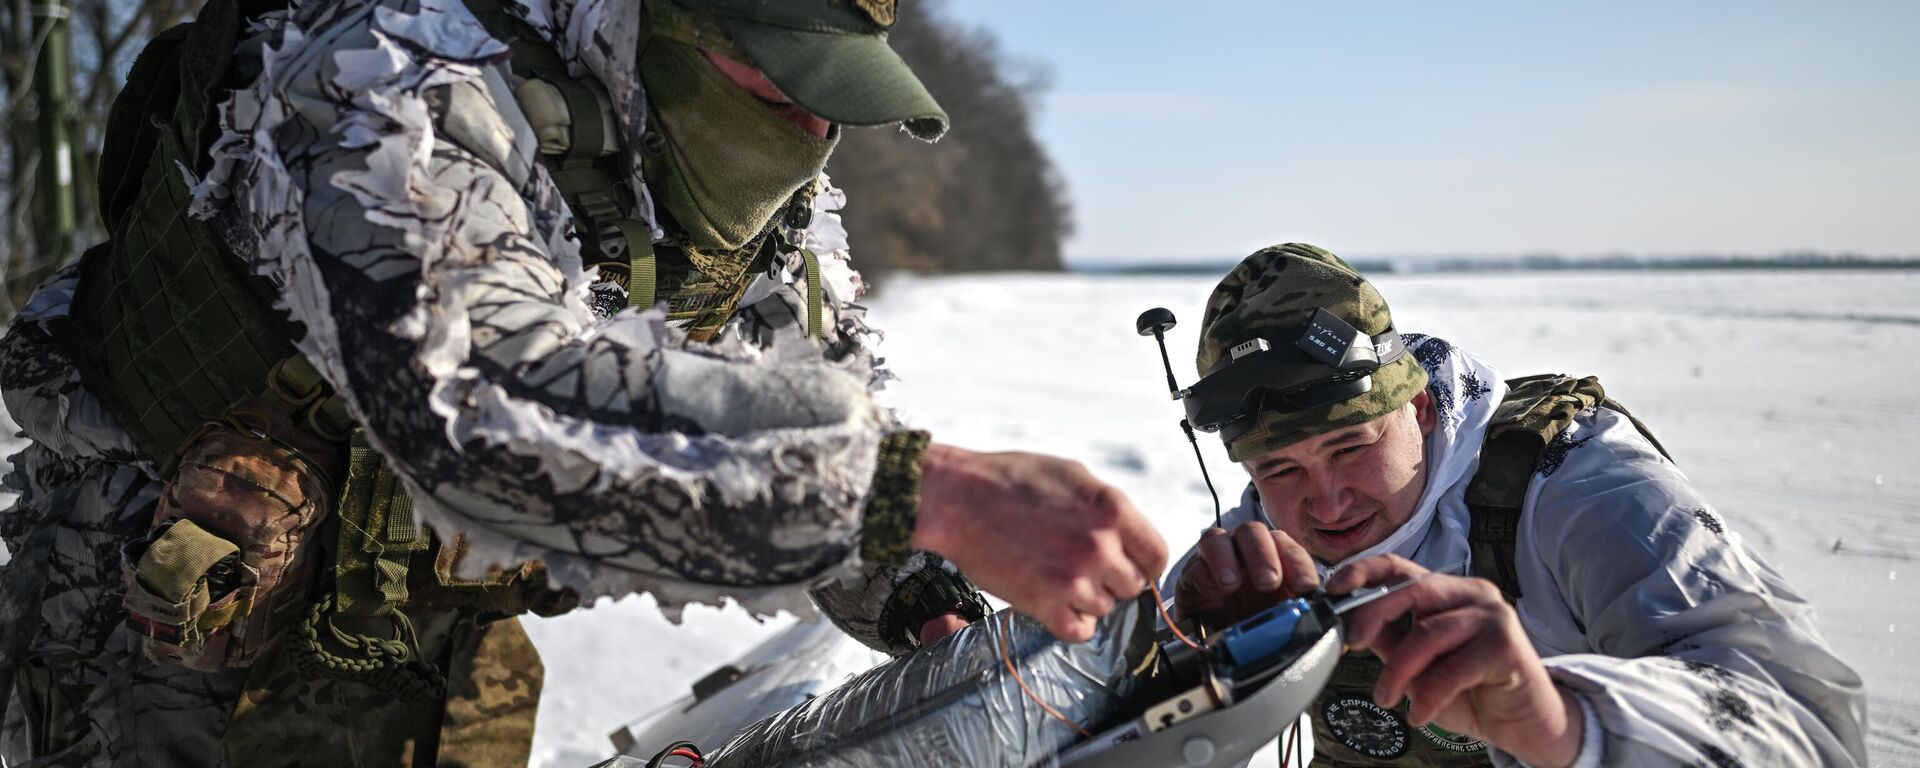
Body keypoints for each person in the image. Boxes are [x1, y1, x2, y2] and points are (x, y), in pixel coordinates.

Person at [0, 0, 1164, 765]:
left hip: (432, 631)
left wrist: (921, 589)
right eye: (776, 85)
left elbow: (817, 398)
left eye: (836, 101)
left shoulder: (762, 195)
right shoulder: (394, 73)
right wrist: (917, 493)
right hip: (171, 622)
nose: (810, 130)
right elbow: (486, 403)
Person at [1166, 243, 1865, 766]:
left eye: (1352, 448)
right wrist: (1180, 659)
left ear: (1419, 408)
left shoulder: (1580, 489)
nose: (1326, 500)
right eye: (1280, 469)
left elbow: (1813, 728)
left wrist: (1562, 720)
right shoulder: (1258, 549)